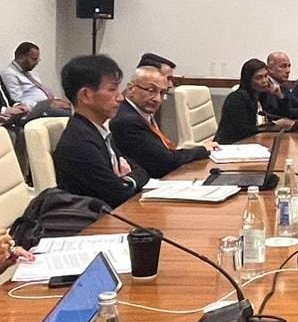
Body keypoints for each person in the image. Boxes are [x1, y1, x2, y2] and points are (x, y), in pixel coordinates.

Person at [54, 55, 149, 208]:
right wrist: (129, 181)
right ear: (86, 95)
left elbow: (142, 171)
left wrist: (128, 180)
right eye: (112, 89)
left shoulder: (98, 132)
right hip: (93, 218)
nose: (120, 97)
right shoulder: (80, 142)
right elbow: (119, 194)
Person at [110, 66, 217, 178]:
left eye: (162, 93)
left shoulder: (141, 114)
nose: (157, 99)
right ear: (131, 88)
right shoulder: (127, 121)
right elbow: (166, 162)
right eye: (151, 90)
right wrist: (202, 150)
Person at [215, 59, 292, 144]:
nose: (264, 81)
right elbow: (244, 131)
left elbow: (284, 115)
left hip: (250, 143)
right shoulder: (237, 99)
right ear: (248, 80)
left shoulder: (261, 95)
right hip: (229, 145)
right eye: (259, 78)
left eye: (266, 76)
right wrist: (272, 125)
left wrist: (280, 96)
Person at [2, 42, 72, 113]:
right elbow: (17, 101)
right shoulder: (9, 74)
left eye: (38, 59)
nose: (37, 63)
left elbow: (42, 91)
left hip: (47, 105)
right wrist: (47, 104)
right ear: (21, 57)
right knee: (71, 115)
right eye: (34, 59)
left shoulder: (31, 72)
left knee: (73, 109)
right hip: (37, 110)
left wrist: (57, 100)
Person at [259, 51, 298, 120]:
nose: (288, 70)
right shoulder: (264, 86)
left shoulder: (283, 87)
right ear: (270, 69)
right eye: (283, 66)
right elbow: (276, 113)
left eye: (289, 66)